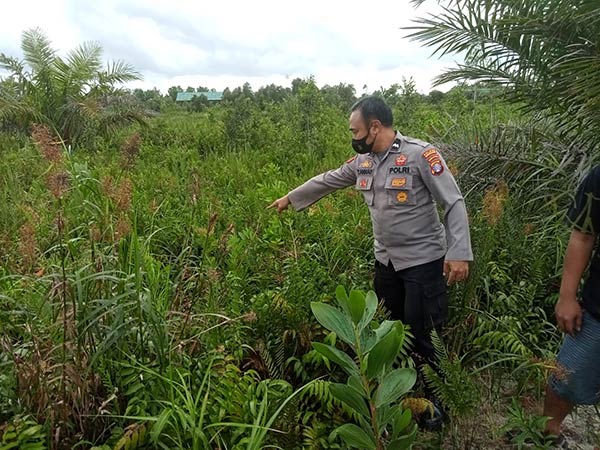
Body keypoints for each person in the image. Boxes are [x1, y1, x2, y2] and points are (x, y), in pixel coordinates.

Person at [268, 96, 473, 429]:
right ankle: (398, 394)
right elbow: (329, 178)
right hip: (387, 263)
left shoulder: (420, 155)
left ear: (375, 126)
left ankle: (439, 405)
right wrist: (291, 197)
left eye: (356, 130)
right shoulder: (364, 161)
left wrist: (459, 252)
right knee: (389, 332)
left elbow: (453, 202)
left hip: (424, 261)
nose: (353, 136)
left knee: (426, 333)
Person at [543, 165, 600, 449]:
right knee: (565, 377)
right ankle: (546, 432)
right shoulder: (599, 177)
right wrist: (567, 296)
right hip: (599, 307)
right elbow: (583, 235)